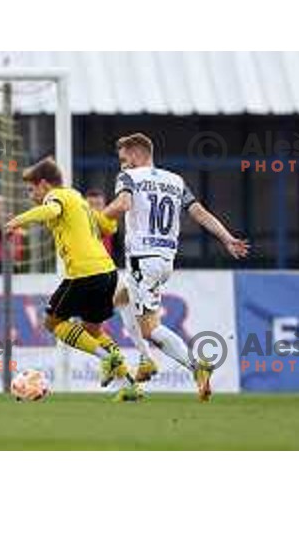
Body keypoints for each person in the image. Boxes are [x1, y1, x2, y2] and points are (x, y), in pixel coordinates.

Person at [102, 133, 249, 401]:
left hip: (141, 260)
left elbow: (123, 205)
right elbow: (199, 212)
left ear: (137, 154)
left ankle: (196, 366)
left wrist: (94, 219)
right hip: (165, 260)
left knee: (150, 329)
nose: (122, 165)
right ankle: (145, 360)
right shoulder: (175, 181)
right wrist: (226, 238)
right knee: (121, 298)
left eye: (125, 159)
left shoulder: (128, 178)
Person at [5, 157, 140, 400]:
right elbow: (109, 227)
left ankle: (106, 358)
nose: (30, 194)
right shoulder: (77, 198)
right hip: (107, 272)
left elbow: (52, 210)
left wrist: (17, 221)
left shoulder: (55, 197)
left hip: (84, 273)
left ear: (44, 184)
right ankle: (130, 385)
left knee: (52, 323)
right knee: (93, 330)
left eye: (31, 188)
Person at [85, 188, 115, 255]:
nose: (94, 209)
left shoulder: (110, 223)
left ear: (104, 206)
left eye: (98, 205)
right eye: (91, 205)